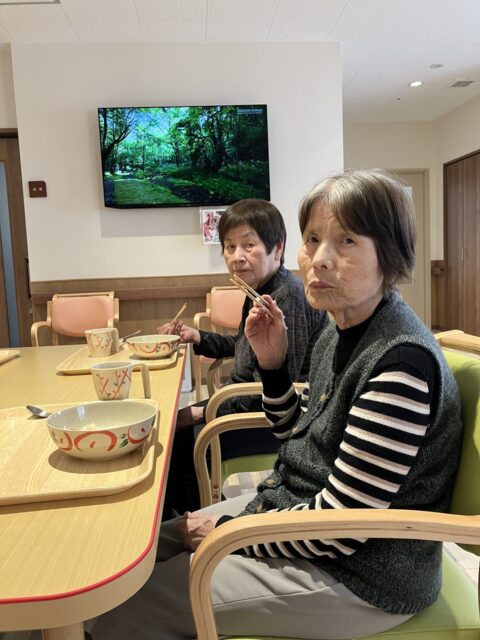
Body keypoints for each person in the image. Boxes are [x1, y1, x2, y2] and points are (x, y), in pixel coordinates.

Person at [91, 170, 462, 640]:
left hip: (362, 575)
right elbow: (297, 437)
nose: (319, 259)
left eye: (347, 240)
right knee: (150, 544)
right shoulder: (341, 329)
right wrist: (273, 366)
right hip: (305, 514)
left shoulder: (400, 364)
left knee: (128, 605)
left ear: (390, 256)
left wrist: (233, 532)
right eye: (313, 239)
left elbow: (340, 528)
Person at [159, 198, 328, 516]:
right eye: (229, 246)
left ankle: (194, 523)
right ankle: (196, 516)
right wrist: (197, 337)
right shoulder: (258, 291)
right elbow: (242, 346)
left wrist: (200, 412)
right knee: (172, 433)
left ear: (277, 248)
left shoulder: (286, 298)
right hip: (244, 403)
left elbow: (277, 387)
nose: (237, 257)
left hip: (275, 421)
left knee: (179, 443)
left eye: (249, 245)